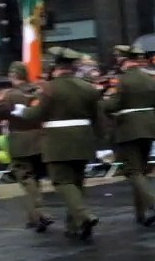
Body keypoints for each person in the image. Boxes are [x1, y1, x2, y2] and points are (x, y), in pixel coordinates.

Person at [13, 47, 106, 241]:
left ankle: (84, 215)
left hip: (57, 141)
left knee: (62, 181)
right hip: (83, 139)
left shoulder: (49, 88)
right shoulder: (88, 87)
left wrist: (22, 111)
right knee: (77, 181)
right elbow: (98, 117)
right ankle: (75, 225)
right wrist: (102, 144)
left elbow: (37, 114)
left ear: (55, 67)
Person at [104, 46, 155, 226]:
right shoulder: (150, 79)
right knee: (140, 170)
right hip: (149, 128)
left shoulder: (123, 80)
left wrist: (101, 103)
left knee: (133, 170)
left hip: (129, 128)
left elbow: (115, 104)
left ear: (122, 60)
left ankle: (154, 203)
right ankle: (141, 213)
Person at [0, 62, 53, 232]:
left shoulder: (10, 95)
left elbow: (0, 114)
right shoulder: (39, 92)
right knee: (35, 178)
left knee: (25, 177)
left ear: (14, 75)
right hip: (40, 139)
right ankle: (33, 216)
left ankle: (39, 214)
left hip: (20, 141)